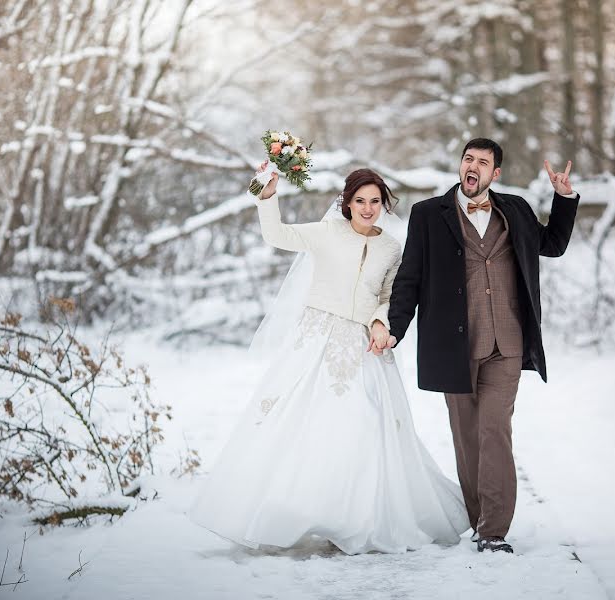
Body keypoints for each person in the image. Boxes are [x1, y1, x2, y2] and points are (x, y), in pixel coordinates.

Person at [188, 163, 468, 554]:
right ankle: (291, 512)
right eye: (359, 201)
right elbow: (276, 233)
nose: (368, 208)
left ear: (384, 204)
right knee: (304, 422)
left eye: (375, 201)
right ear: (347, 203)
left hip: (363, 346)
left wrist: (378, 322)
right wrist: (266, 192)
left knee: (365, 424)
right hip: (317, 338)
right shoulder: (326, 232)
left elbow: (390, 294)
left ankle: (356, 519)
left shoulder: (390, 247)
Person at [384, 138, 580, 553]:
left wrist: (565, 199)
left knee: (494, 431)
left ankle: (493, 532)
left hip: (506, 343)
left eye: (483, 162)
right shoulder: (427, 215)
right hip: (454, 346)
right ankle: (477, 520)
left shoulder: (517, 209)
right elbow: (410, 279)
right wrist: (394, 328)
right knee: (466, 437)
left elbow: (553, 245)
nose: (472, 166)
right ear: (460, 166)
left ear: (496, 174)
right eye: (468, 159)